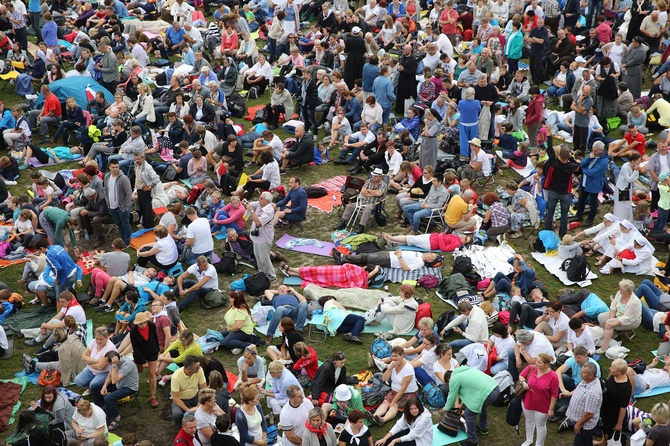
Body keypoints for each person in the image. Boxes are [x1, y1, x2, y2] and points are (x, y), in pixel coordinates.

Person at [444, 365, 500, 446]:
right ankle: (483, 428)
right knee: (483, 406)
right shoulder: (465, 370)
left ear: (448, 380)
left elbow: (452, 395)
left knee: (469, 414)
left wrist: (446, 408)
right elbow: (470, 390)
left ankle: (472, 441)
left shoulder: (454, 379)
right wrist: (462, 404)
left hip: (487, 393)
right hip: (495, 387)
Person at [542, 124, 579, 237]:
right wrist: (570, 156)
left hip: (553, 190)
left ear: (559, 155)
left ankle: (548, 231)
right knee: (564, 215)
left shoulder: (554, 162)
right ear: (568, 156)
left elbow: (549, 148)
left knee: (550, 212)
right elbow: (576, 164)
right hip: (565, 193)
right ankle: (562, 234)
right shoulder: (571, 166)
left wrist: (549, 135)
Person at [517, 353, 559, 446]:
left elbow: (554, 395)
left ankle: (539, 444)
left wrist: (551, 409)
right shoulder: (531, 368)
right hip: (528, 401)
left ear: (546, 365)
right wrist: (523, 382)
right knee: (529, 421)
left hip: (542, 406)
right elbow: (521, 375)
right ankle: (529, 439)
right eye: (537, 361)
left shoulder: (553, 377)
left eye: (539, 362)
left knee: (540, 425)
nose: (536, 363)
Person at [372, 346, 418, 426]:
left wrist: (393, 401)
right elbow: (384, 378)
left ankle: (383, 420)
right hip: (395, 391)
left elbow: (403, 389)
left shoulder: (408, 368)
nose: (394, 358)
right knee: (385, 402)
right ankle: (374, 417)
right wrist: (390, 368)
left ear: (402, 356)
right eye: (393, 356)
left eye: (396, 356)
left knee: (395, 405)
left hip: (408, 392)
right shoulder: (392, 365)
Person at [558, 362, 603, 445]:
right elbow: (580, 389)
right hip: (581, 422)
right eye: (581, 371)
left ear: (591, 376)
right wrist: (569, 394)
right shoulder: (587, 380)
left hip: (585, 425)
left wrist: (578, 424)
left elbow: (589, 414)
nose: (580, 373)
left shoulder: (592, 393)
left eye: (583, 372)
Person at [96, 351, 140, 431]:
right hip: (119, 383)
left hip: (129, 387)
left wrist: (114, 365)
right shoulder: (113, 363)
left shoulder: (127, 364)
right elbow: (110, 375)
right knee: (96, 386)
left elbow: (114, 380)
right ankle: (102, 407)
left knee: (108, 398)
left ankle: (116, 417)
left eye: (109, 363)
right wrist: (104, 386)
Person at [573, 141, 608, 226]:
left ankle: (590, 219)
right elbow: (581, 164)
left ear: (601, 150)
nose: (594, 152)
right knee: (581, 199)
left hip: (594, 184)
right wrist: (589, 157)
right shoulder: (592, 154)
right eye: (593, 150)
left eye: (595, 151)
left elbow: (593, 172)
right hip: (585, 182)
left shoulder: (604, 161)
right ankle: (579, 215)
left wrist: (584, 171)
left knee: (593, 203)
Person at [74, 326, 116, 394]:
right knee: (78, 381)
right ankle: (91, 388)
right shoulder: (93, 342)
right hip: (91, 369)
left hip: (105, 372)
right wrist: (96, 361)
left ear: (107, 338)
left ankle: (96, 389)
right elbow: (83, 357)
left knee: (93, 385)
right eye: (97, 339)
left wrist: (89, 362)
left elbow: (100, 367)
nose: (98, 341)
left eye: (101, 339)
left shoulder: (109, 348)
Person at [247, 191, 277, 282]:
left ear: (267, 201)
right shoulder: (260, 204)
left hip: (264, 238)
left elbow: (258, 222)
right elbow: (251, 204)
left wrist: (251, 211)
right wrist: (245, 202)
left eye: (261, 198)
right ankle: (262, 272)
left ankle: (272, 276)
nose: (259, 199)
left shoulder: (269, 211)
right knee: (257, 256)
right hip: (256, 237)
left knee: (264, 258)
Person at [170, 355, 207, 426]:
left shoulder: (200, 370)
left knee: (208, 404)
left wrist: (198, 406)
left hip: (195, 395)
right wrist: (188, 410)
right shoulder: (176, 376)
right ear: (189, 369)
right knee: (177, 414)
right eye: (197, 367)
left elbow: (204, 389)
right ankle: (182, 428)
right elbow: (176, 398)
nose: (200, 368)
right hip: (181, 399)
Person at [104, 159, 132, 247]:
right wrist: (107, 202)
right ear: (109, 167)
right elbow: (105, 190)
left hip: (121, 207)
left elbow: (128, 193)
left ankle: (127, 242)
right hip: (111, 206)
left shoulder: (123, 178)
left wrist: (125, 206)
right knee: (119, 224)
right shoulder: (107, 177)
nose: (115, 169)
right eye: (113, 167)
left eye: (117, 167)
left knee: (125, 224)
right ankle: (122, 240)